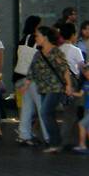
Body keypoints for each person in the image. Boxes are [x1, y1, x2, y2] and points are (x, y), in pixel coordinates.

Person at [24, 25, 74, 154]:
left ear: (45, 37)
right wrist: (26, 85)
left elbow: (65, 69)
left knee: (45, 112)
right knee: (48, 114)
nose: (36, 38)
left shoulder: (56, 52)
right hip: (43, 89)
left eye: (38, 35)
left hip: (55, 88)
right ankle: (56, 142)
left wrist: (68, 85)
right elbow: (32, 71)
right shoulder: (38, 53)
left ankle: (55, 142)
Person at [13, 15, 43, 146]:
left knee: (27, 107)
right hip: (33, 79)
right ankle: (48, 136)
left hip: (19, 76)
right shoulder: (37, 41)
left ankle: (24, 135)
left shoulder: (22, 40)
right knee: (41, 107)